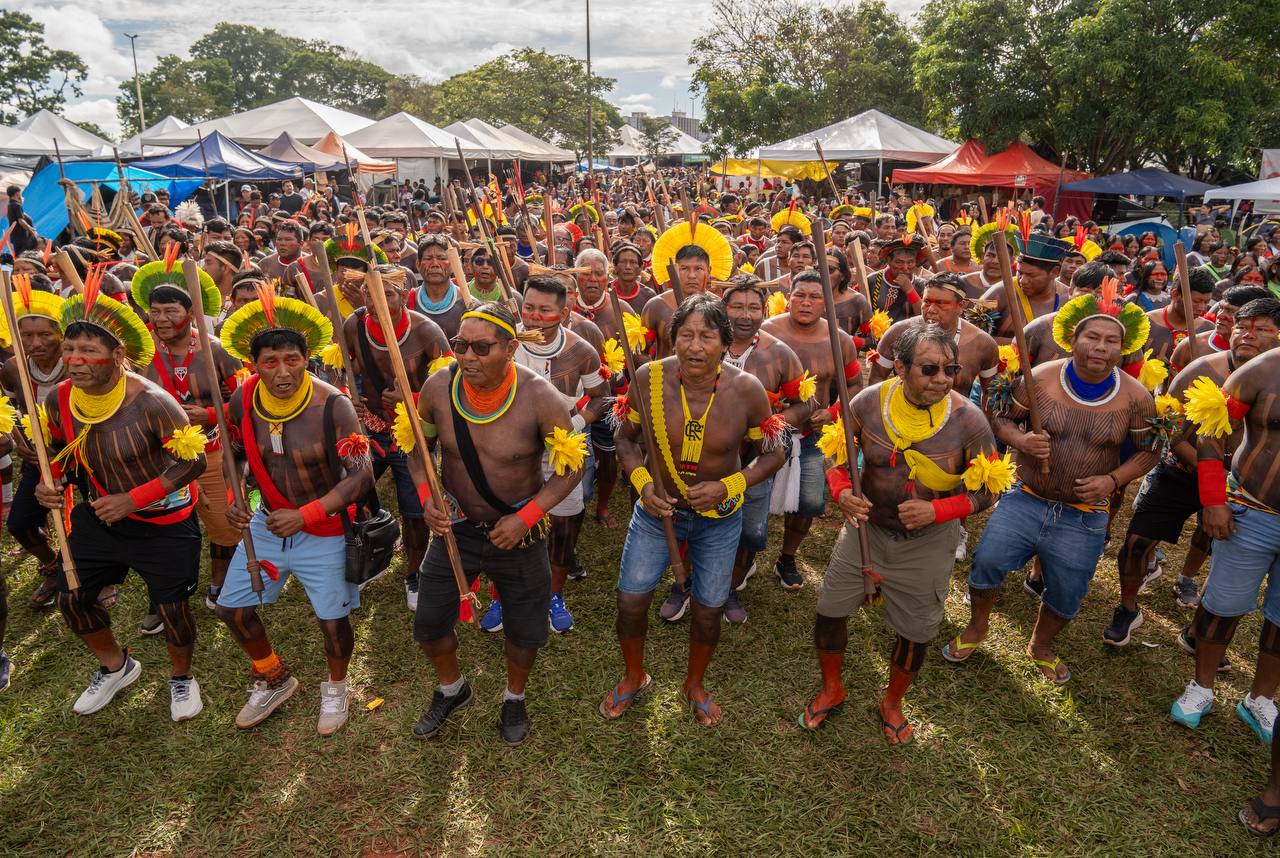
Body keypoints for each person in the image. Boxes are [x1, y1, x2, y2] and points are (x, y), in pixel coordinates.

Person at [800, 325, 1007, 741]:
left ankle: (892, 702)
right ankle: (831, 688)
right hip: (866, 532)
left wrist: (938, 510)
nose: (943, 380)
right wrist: (842, 492)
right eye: (929, 369)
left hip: (930, 542)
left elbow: (989, 490)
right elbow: (836, 456)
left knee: (916, 633)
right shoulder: (867, 404)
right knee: (829, 612)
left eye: (950, 370)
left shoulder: (969, 420)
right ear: (899, 367)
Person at [947, 280, 1158, 682]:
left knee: (1068, 590)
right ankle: (977, 626)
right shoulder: (1040, 379)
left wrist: (1112, 479)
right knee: (988, 561)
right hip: (1026, 496)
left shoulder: (1136, 398)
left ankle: (1040, 645)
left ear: (1123, 347)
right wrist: (1021, 439)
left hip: (1084, 513)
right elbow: (1000, 417)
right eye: (1092, 337)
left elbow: (1150, 452)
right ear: (1072, 339)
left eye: (1111, 341)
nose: (1100, 347)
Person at [601, 294, 784, 725]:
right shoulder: (648, 379)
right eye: (686, 335)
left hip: (719, 520)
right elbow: (625, 440)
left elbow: (773, 453)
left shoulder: (747, 390)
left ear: (725, 342)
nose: (695, 346)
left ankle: (695, 684)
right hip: (656, 514)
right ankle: (634, 676)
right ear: (672, 339)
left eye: (706, 336)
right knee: (630, 600)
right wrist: (643, 483)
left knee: (708, 608)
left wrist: (728, 485)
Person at [411, 303, 587, 745]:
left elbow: (572, 468)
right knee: (429, 623)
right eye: (460, 345)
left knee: (526, 629)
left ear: (510, 348)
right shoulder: (438, 387)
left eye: (481, 348)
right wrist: (427, 497)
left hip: (520, 534)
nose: (467, 356)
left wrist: (526, 518)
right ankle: (452, 689)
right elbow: (416, 449)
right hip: (456, 529)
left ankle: (514, 697)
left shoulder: (539, 396)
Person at [36, 285, 208, 721]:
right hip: (98, 517)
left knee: (172, 609)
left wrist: (133, 499)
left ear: (117, 354)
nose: (74, 360)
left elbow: (193, 462)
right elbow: (57, 451)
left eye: (88, 351)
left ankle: (182, 677)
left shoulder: (153, 402)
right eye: (69, 349)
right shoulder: (59, 399)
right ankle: (116, 667)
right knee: (72, 600)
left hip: (165, 521)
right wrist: (48, 483)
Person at [214, 291, 373, 735]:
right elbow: (237, 452)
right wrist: (235, 493)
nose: (282, 372)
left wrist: (306, 515)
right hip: (267, 523)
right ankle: (273, 676)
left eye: (292, 360)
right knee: (232, 609)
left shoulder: (333, 405)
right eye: (270, 362)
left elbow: (361, 475)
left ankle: (337, 687)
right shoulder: (243, 400)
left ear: (307, 359)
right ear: (253, 364)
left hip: (325, 530)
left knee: (332, 622)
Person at [1110, 297, 1280, 648]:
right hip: (1179, 472)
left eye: (1261, 329)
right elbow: (1167, 427)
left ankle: (1192, 602)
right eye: (1241, 327)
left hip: (1237, 487)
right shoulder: (1202, 369)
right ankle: (1127, 608)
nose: (1247, 335)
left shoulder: (1273, 379)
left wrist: (1222, 482)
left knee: (1213, 547)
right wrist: (1206, 468)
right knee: (1136, 543)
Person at [1170, 333, 1280, 744]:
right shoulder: (1265, 369)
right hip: (1253, 511)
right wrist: (1214, 500)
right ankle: (1202, 686)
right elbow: (1210, 431)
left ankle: (1260, 698)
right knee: (1222, 606)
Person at [493, 276, 608, 633]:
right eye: (529, 308)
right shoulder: (503, 342)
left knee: (560, 527)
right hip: (508, 451)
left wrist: (575, 423)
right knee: (504, 522)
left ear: (564, 312)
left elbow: (602, 397)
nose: (535, 317)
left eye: (545, 310)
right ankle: (501, 596)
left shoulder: (581, 351)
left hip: (562, 453)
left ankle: (554, 595)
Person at [131, 263, 244, 612]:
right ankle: (166, 591)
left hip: (211, 451)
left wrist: (209, 414)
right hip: (158, 458)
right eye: (155, 312)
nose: (161, 319)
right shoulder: (142, 353)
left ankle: (220, 578)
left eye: (171, 311)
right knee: (163, 526)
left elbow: (245, 402)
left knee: (223, 523)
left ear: (191, 313)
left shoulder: (218, 351)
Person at [343, 264, 450, 611]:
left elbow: (450, 386)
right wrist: (347, 397)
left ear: (403, 296)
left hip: (412, 432)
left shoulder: (427, 331)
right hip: (369, 428)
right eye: (369, 293)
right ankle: (368, 555)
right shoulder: (353, 325)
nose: (376, 301)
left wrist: (411, 397)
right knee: (349, 494)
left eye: (386, 294)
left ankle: (415, 573)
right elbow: (342, 366)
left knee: (415, 509)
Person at [718, 278, 812, 623]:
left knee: (750, 530)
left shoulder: (779, 353)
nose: (745, 315)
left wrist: (767, 424)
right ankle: (689, 584)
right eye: (737, 306)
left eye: (754, 307)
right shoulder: (705, 343)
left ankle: (730, 587)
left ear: (764, 310)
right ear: (723, 308)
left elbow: (805, 404)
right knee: (698, 521)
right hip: (706, 456)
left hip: (756, 459)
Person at [760, 272, 861, 590]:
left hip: (813, 435)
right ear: (788, 297)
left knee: (808, 501)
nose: (806, 303)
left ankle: (787, 558)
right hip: (764, 433)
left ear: (826, 303)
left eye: (814, 297)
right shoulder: (766, 332)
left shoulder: (840, 341)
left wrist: (831, 412)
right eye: (800, 295)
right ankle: (741, 556)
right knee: (751, 496)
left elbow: (855, 385)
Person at [1, 279, 68, 612]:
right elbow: (13, 407)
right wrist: (20, 440)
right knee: (20, 524)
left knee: (91, 522)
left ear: (61, 333)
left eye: (44, 334)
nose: (35, 343)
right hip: (38, 457)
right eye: (26, 336)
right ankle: (53, 566)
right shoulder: (14, 367)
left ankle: (97, 576)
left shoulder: (76, 362)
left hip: (82, 454)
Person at [981, 234, 1073, 344]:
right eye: (1020, 273)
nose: (1022, 280)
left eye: (1031, 275)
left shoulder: (1069, 299)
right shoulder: (1000, 292)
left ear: (1054, 272)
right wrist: (1018, 344)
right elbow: (972, 336)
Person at [1141, 267, 1214, 362]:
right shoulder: (1146, 323)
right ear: (1175, 295)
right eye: (1196, 301)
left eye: (1206, 302)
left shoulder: (1208, 329)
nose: (1202, 308)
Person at [410, 234, 469, 339]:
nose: (435, 264)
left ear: (453, 265)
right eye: (428, 258)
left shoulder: (468, 303)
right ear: (418, 265)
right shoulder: (408, 302)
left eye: (442, 258)